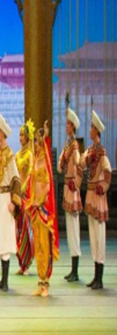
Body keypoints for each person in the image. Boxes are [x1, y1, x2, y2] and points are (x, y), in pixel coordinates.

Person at [76, 110, 112, 290]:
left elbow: (108, 172)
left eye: (91, 127)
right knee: (92, 236)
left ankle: (100, 276)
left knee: (99, 236)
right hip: (90, 195)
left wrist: (103, 186)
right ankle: (95, 275)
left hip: (97, 196)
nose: (90, 130)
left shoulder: (102, 153)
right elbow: (81, 164)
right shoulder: (91, 151)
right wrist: (86, 158)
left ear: (96, 130)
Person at [24, 121, 59, 297]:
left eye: (37, 143)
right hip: (36, 208)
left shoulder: (45, 163)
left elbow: (46, 186)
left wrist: (39, 201)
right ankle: (40, 280)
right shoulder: (36, 161)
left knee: (45, 246)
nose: (36, 145)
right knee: (37, 245)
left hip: (43, 209)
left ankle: (46, 283)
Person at [0, 112, 21, 292]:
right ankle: (3, 279)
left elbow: (16, 179)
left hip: (6, 196)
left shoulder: (10, 155)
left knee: (6, 236)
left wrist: (14, 202)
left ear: (3, 134)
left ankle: (5, 280)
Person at [59, 108, 82, 282]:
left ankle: (76, 269)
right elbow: (60, 167)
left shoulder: (74, 146)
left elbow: (79, 166)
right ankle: (73, 269)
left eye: (68, 124)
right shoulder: (68, 145)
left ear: (73, 126)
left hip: (72, 189)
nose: (66, 126)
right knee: (69, 229)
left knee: (74, 229)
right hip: (68, 187)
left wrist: (76, 184)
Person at [15, 120, 35, 276]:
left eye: (22, 135)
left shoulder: (29, 155)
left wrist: (24, 187)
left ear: (28, 137)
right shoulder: (17, 155)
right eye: (20, 135)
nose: (20, 137)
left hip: (26, 196)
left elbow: (30, 174)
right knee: (18, 228)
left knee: (26, 229)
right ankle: (21, 263)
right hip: (18, 196)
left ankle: (27, 263)